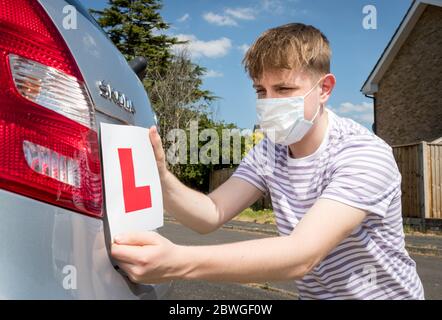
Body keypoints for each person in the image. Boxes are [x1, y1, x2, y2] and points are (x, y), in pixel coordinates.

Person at [111, 23, 424, 300]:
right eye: (261, 90)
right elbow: (211, 213)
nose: (270, 102)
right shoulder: (269, 150)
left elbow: (301, 255)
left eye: (284, 88)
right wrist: (162, 178)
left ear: (325, 89)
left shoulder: (363, 153)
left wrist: (177, 262)